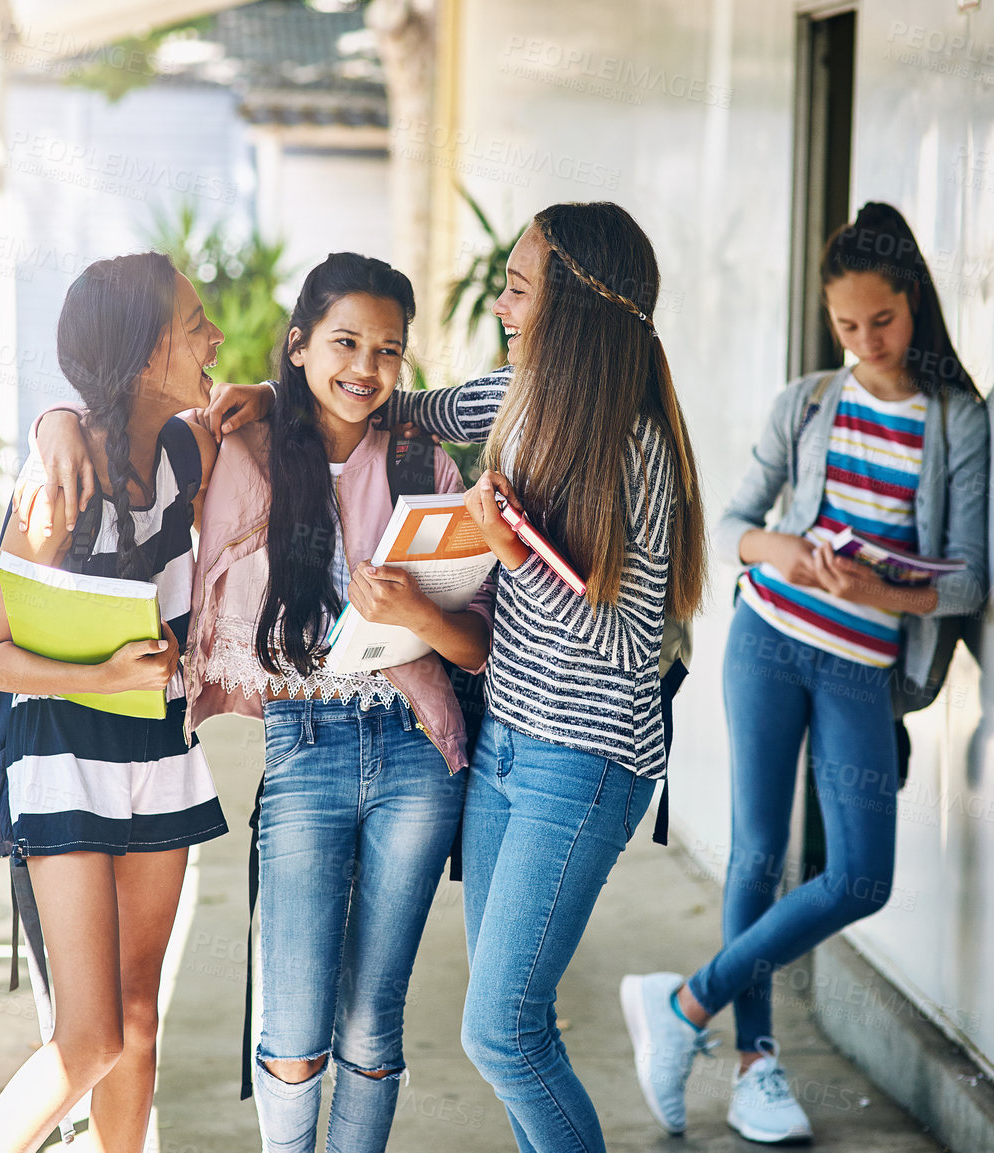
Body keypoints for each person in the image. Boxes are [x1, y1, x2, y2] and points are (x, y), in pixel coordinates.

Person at [36, 252, 492, 1153]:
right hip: (306, 745)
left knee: (371, 1025)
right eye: (345, 342)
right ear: (300, 344)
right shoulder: (237, 447)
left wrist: (415, 615)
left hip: (415, 755)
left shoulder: (425, 461)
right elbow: (123, 417)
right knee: (289, 1035)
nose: (365, 367)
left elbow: (477, 646)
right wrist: (54, 417)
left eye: (389, 350)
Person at [618, 202, 988, 1143]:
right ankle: (755, 1065)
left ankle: (683, 1005)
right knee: (756, 854)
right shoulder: (809, 402)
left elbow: (969, 579)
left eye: (883, 321)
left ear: (917, 306)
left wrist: (884, 589)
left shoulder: (957, 421)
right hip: (770, 642)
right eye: (845, 326)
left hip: (861, 667)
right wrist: (786, 550)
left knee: (859, 876)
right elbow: (734, 525)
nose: (865, 343)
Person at [385, 200, 707, 1153]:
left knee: (498, 1031)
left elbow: (624, 650)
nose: (504, 307)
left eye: (519, 289)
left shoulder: (636, 451)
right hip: (507, 750)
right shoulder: (515, 400)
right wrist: (280, 394)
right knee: (514, 1026)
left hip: (589, 759)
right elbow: (398, 407)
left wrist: (515, 558)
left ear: (572, 307)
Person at [0, 253, 272, 1153]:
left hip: (161, 756)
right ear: (141, 356)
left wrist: (267, 394)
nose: (214, 337)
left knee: (139, 1021)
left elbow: (282, 415)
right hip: (64, 755)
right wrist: (109, 677)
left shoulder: (188, 446)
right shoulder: (61, 483)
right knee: (89, 1034)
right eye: (195, 324)